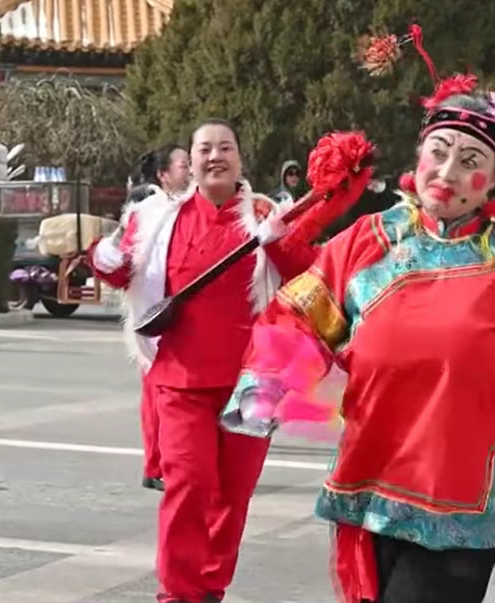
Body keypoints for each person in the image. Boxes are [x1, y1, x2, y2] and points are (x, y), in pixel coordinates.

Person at [220, 46, 495, 602]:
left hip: (461, 491)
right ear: (418, 155)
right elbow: (299, 311)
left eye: (471, 161)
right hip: (370, 476)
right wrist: (267, 381)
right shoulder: (370, 238)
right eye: (440, 152)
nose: (449, 173)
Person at [87, 119, 319, 603]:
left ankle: (209, 587)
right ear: (188, 162)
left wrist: (278, 239)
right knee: (188, 485)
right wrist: (103, 259)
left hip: (256, 382)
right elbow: (122, 270)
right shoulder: (157, 218)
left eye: (225, 148)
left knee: (232, 498)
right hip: (180, 378)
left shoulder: (266, 214)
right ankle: (178, 593)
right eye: (204, 149)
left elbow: (306, 276)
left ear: (240, 159)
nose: (215, 156)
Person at [124, 143, 192, 492]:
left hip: (187, 320)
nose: (191, 170)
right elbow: (125, 258)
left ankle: (170, 462)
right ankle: (156, 465)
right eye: (183, 165)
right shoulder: (148, 212)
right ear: (164, 175)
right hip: (156, 318)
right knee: (155, 397)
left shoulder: (195, 207)